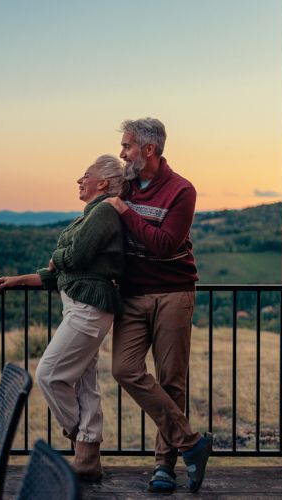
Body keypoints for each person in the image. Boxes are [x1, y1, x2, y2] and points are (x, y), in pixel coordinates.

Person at [0, 154, 126, 482]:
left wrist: (56, 257)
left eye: (86, 175)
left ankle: (83, 442)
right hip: (82, 308)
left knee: (48, 374)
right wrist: (20, 280)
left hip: (88, 311)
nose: (79, 180)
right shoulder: (91, 215)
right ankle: (88, 462)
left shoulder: (104, 212)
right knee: (86, 383)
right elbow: (64, 272)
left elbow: (74, 257)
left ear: (102, 183)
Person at [103, 118, 212, 494]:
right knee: (124, 369)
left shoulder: (181, 190)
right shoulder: (125, 185)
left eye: (127, 146)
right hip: (132, 294)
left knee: (171, 380)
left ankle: (164, 466)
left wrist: (124, 211)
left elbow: (164, 245)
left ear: (148, 150)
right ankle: (191, 443)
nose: (122, 153)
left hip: (173, 293)